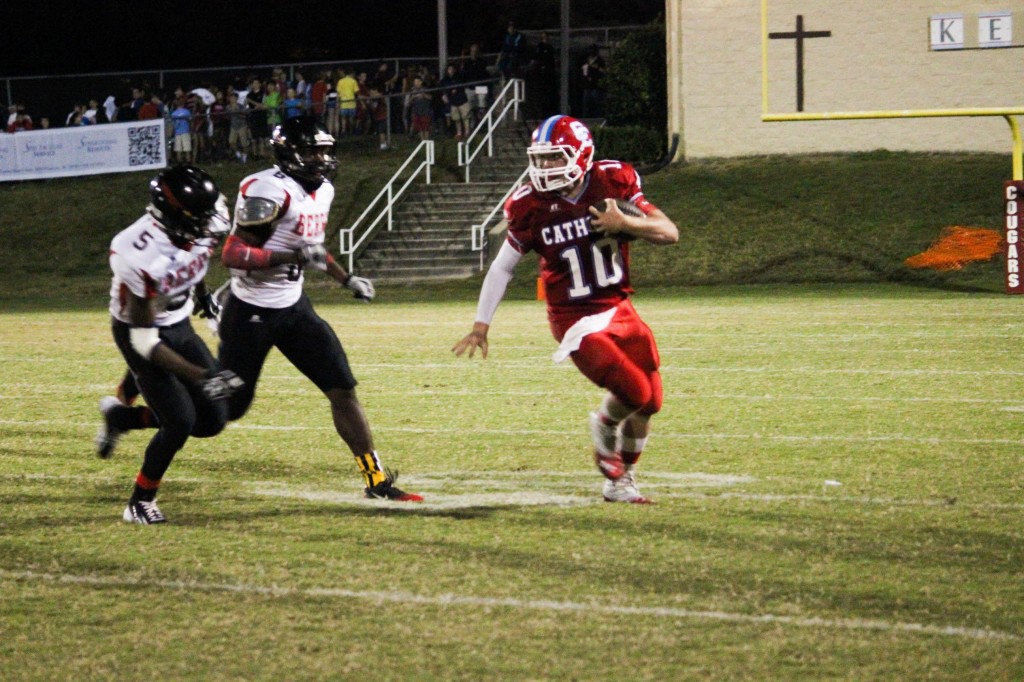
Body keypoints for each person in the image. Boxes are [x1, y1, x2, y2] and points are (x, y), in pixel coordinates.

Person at [452, 115, 679, 504]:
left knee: (652, 401)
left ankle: (620, 481)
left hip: (619, 305)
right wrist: (480, 325)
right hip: (574, 319)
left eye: (554, 158)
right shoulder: (529, 204)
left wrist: (623, 221)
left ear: (580, 155)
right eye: (540, 160)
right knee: (634, 390)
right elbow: (502, 267)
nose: (544, 168)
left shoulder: (612, 180)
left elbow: (669, 232)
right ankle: (603, 429)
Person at [217, 115, 423, 502]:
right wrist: (290, 255)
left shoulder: (323, 189)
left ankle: (375, 479)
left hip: (293, 307)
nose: (322, 158)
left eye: (325, 151)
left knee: (342, 388)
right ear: (289, 152)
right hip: (250, 312)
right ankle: (149, 409)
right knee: (225, 409)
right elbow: (232, 254)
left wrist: (345, 279)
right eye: (313, 151)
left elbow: (313, 248)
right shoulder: (268, 189)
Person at [95, 165, 242, 524]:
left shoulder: (194, 228)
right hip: (140, 333)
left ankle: (122, 417)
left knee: (211, 420)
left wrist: (203, 297)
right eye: (201, 216)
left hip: (177, 320)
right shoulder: (137, 252)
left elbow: (195, 260)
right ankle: (140, 501)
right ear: (175, 216)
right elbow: (145, 342)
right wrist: (201, 375)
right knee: (179, 422)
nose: (211, 223)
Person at [440, 63, 470, 140]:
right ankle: (459, 133)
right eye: (449, 69)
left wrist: (456, 89)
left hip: (462, 100)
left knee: (465, 117)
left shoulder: (459, 77)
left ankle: (467, 132)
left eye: (452, 69)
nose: (451, 71)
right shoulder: (445, 79)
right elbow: (442, 89)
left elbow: (462, 84)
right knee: (456, 119)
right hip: (453, 102)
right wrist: (445, 95)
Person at [581, 46, 606, 118]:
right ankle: (585, 118)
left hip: (595, 86)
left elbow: (603, 71)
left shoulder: (600, 61)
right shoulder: (586, 60)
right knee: (586, 103)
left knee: (596, 103)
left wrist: (596, 70)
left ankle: (597, 117)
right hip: (587, 85)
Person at [336, 67, 358, 136]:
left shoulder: (340, 81)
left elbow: (338, 93)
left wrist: (338, 103)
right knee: (351, 119)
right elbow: (356, 91)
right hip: (352, 103)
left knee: (344, 119)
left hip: (343, 103)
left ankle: (344, 132)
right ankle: (351, 132)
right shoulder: (353, 81)